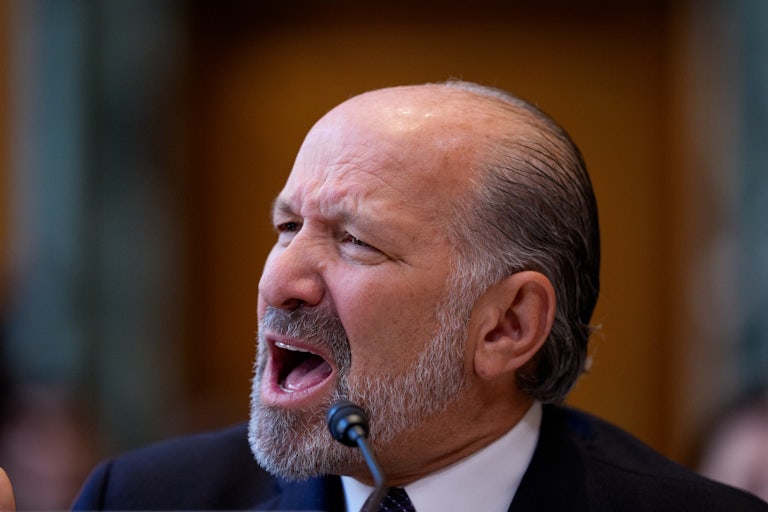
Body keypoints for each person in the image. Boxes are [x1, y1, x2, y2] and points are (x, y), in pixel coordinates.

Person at [70, 81, 768, 511]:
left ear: (507, 326)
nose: (280, 281)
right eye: (288, 227)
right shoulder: (138, 500)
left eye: (355, 242)